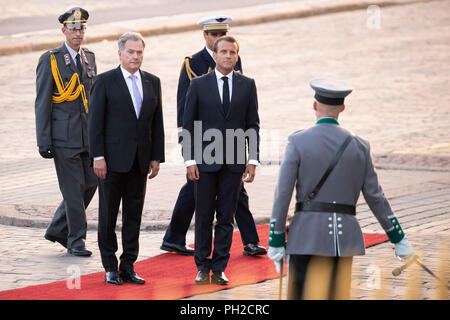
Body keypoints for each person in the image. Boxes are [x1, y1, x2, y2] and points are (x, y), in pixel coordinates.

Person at [267, 78, 414, 299]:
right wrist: (398, 237)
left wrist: (276, 240)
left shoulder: (297, 142)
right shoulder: (360, 146)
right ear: (342, 108)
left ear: (315, 105)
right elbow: (376, 198)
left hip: (306, 236)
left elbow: (282, 194)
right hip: (343, 239)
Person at [161, 15, 266, 257]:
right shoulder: (193, 63)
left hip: (230, 146)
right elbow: (184, 106)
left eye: (223, 34)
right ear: (205, 36)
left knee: (232, 191)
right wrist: (186, 145)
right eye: (215, 35)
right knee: (196, 190)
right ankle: (176, 237)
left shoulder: (233, 58)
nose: (220, 40)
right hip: (203, 145)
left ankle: (247, 239)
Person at [182, 36, 260, 285]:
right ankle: (202, 267)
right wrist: (189, 160)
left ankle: (219, 268)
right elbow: (188, 126)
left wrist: (253, 159)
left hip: (235, 162)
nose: (228, 56)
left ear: (237, 56)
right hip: (204, 161)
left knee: (226, 218)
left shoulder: (247, 85)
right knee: (204, 215)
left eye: (232, 52)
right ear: (214, 55)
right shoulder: (198, 85)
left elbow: (252, 125)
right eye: (223, 52)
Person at [88, 32, 165, 285]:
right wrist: (97, 157)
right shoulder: (105, 81)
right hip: (110, 162)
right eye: (130, 52)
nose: (135, 56)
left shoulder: (152, 81)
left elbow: (157, 122)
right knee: (108, 216)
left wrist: (156, 157)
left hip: (140, 162)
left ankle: (128, 265)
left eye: (139, 52)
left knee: (134, 215)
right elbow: (95, 124)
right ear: (120, 53)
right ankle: (110, 266)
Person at [35, 7, 97, 257]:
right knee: (74, 189)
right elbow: (42, 102)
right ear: (63, 30)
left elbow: (92, 99)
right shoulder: (50, 59)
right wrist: (43, 140)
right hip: (64, 138)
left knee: (91, 183)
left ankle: (59, 228)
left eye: (81, 28)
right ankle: (76, 240)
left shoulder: (89, 57)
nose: (78, 33)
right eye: (73, 28)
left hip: (87, 136)